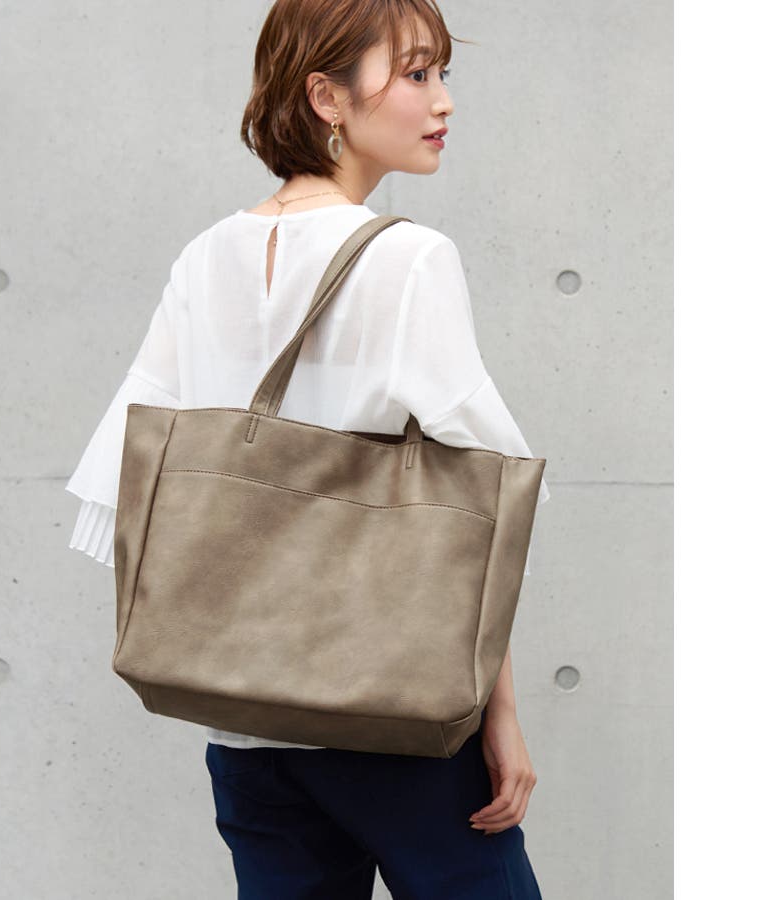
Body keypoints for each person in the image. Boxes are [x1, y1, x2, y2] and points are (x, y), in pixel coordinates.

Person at [65, 0, 551, 896]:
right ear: (327, 97)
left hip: (245, 730)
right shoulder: (409, 259)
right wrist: (501, 714)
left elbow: (121, 480)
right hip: (393, 721)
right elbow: (487, 513)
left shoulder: (204, 257)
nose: (443, 100)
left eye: (442, 73)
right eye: (416, 74)